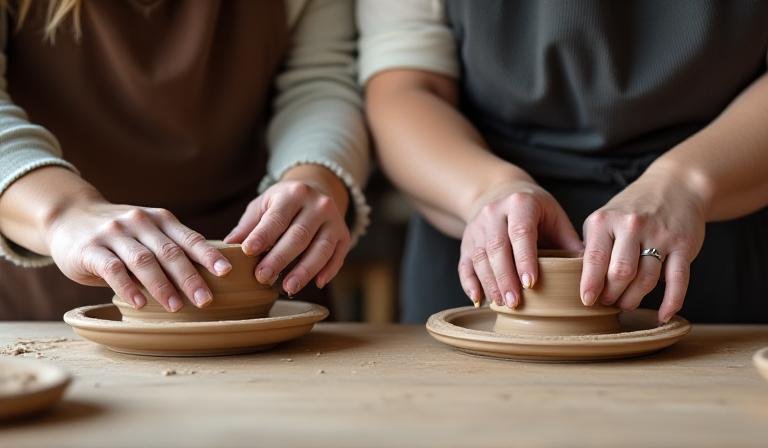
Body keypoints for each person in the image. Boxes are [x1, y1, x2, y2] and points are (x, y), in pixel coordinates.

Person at [358, 0, 768, 323]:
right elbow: (404, 88)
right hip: (481, 226)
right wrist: (491, 190)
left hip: (721, 218)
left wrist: (686, 184)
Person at [0, 0, 370, 319]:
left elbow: (319, 83)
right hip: (46, 286)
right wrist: (64, 213)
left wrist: (315, 178)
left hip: (265, 273)